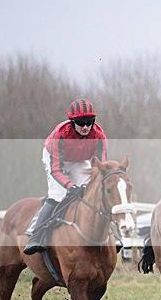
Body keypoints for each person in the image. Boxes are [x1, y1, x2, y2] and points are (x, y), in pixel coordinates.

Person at [24, 99, 108, 255]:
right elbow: (56, 170)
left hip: (79, 160)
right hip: (56, 160)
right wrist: (71, 186)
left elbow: (100, 167)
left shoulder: (99, 136)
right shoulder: (60, 134)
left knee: (91, 192)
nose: (85, 126)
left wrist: (91, 185)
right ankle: (36, 235)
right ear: (72, 122)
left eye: (89, 122)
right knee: (58, 194)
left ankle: (108, 236)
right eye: (81, 122)